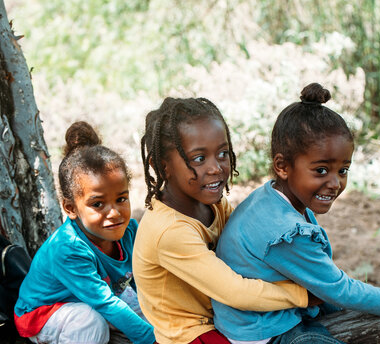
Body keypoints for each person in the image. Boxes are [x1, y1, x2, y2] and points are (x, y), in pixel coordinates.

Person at [212, 83, 380, 344]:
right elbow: (339, 289)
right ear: (282, 166)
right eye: (321, 170)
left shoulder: (271, 197)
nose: (335, 183)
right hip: (263, 331)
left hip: (270, 312)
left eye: (343, 170)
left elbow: (328, 282)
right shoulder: (285, 233)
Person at [133, 97, 311, 344]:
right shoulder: (169, 230)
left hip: (225, 315)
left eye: (223, 153)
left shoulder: (212, 203)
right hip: (193, 333)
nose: (216, 167)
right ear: (162, 167)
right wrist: (303, 294)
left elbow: (249, 246)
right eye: (198, 159)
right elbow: (235, 291)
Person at [14, 122, 155, 344]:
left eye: (121, 199)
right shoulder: (68, 249)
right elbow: (105, 303)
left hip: (93, 295)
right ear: (70, 208)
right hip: (43, 313)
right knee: (89, 323)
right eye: (98, 204)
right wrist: (151, 339)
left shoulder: (129, 231)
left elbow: (141, 280)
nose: (114, 213)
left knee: (147, 311)